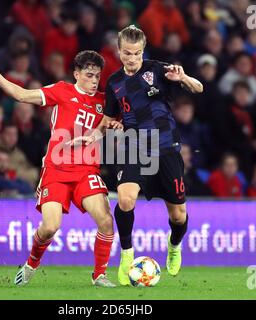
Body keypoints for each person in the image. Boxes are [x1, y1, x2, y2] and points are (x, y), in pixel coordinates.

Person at [74, 25, 203, 285]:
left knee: (178, 215)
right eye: (126, 53)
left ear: (143, 51)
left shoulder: (158, 69)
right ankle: (126, 253)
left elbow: (199, 88)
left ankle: (175, 245)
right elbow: (107, 121)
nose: (131, 59)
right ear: (119, 52)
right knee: (125, 199)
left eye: (136, 54)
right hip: (135, 147)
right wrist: (92, 136)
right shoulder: (114, 83)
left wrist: (184, 79)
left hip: (166, 147)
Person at [0, 50, 121, 288]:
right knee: (50, 227)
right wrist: (0, 79)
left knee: (106, 221)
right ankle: (31, 264)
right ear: (76, 74)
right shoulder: (62, 90)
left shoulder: (104, 102)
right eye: (89, 75)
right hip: (56, 170)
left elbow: (115, 126)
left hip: (87, 171)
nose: (94, 80)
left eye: (97, 76)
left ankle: (99, 275)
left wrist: (116, 128)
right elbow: (24, 96)